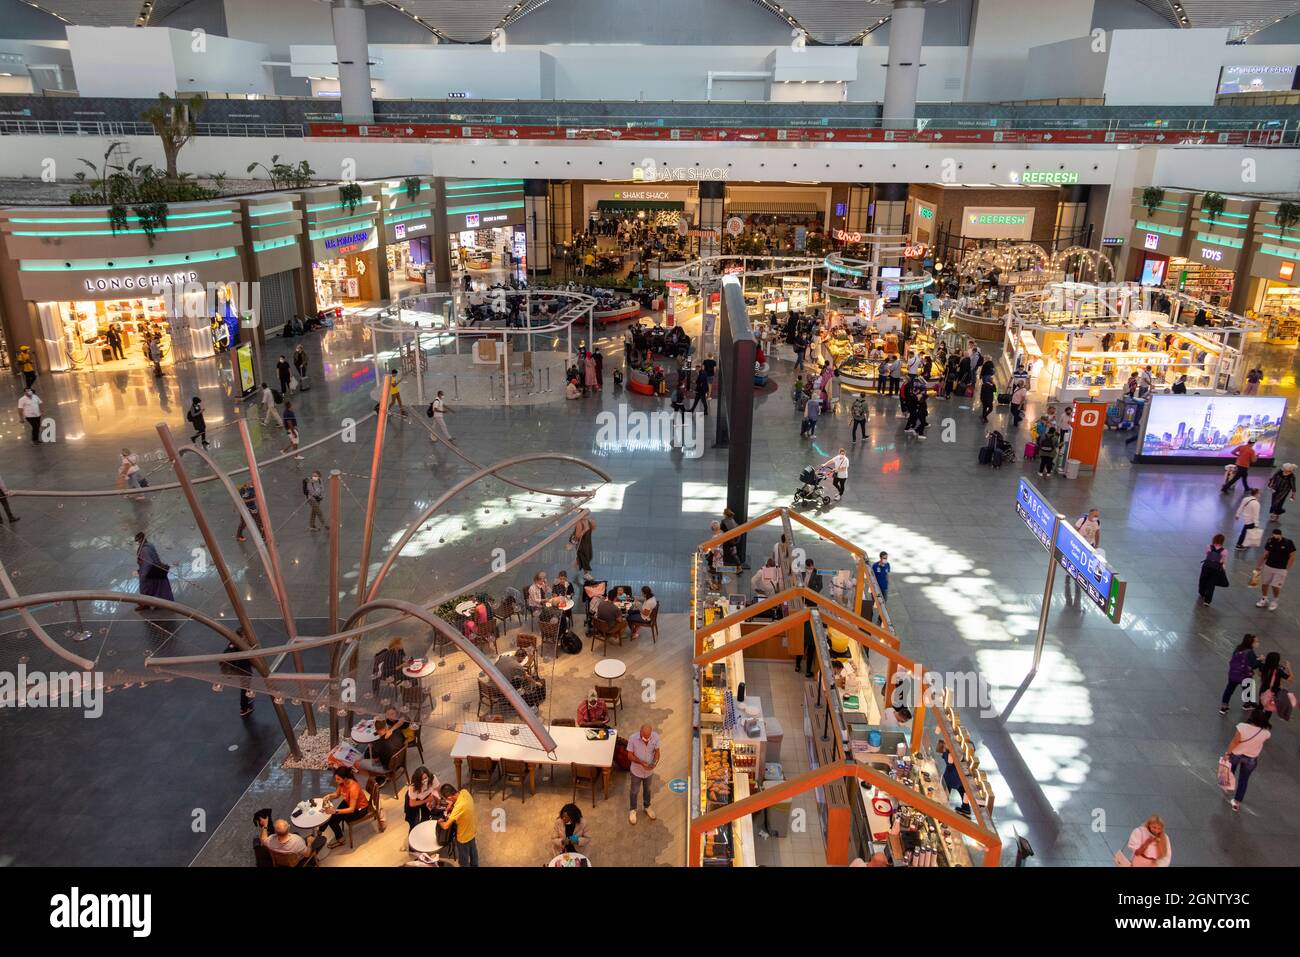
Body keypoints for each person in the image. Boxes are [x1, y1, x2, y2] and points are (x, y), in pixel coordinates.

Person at [1224, 707, 1272, 811]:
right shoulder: (1266, 733)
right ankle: (1236, 802)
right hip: (1251, 759)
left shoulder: (1242, 727)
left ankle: (1228, 787)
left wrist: (1227, 753)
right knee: (1244, 780)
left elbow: (1234, 742)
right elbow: (1265, 737)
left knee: (1230, 771)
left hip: (1236, 755)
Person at [321, 768, 374, 848]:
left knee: (333, 821)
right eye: (335, 778)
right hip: (349, 803)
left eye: (338, 779)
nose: (336, 781)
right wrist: (329, 796)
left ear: (345, 778)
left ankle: (341, 840)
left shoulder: (353, 788)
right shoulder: (342, 783)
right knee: (331, 817)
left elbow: (352, 809)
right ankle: (320, 831)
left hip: (360, 809)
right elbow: (337, 794)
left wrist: (336, 811)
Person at [1254, 527, 1296, 611]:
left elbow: (1293, 555)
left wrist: (1287, 568)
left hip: (1281, 569)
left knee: (1275, 586)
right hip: (1269, 566)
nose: (1274, 537)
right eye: (1273, 535)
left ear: (1280, 535)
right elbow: (1266, 554)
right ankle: (1264, 599)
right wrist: (1259, 565)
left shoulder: (1288, 543)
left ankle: (1275, 601)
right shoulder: (1270, 541)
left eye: (1276, 535)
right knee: (1265, 583)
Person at [627, 723, 660, 825]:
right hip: (636, 772)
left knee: (648, 789)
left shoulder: (655, 737)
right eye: (645, 737)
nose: (647, 739)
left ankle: (647, 806)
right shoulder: (632, 738)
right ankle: (633, 810)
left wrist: (654, 763)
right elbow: (629, 755)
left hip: (649, 772)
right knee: (634, 791)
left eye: (648, 737)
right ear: (640, 732)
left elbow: (657, 752)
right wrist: (641, 763)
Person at [1220, 634, 1262, 715]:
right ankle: (1247, 704)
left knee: (1229, 690)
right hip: (1244, 675)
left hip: (1234, 673)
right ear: (1251, 643)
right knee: (1247, 689)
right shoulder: (1250, 652)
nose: (1258, 643)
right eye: (1256, 641)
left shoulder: (1239, 648)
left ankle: (1224, 707)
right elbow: (1253, 665)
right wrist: (1260, 660)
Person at [439, 783, 479, 866]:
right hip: (472, 830)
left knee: (463, 860)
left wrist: (440, 822)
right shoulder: (465, 792)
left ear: (449, 797)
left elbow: (446, 826)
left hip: (463, 837)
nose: (447, 801)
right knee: (473, 853)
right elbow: (460, 807)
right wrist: (451, 804)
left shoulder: (459, 807)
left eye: (447, 799)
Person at [134, 532, 174, 604]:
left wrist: (143, 574)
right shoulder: (150, 545)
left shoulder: (144, 549)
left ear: (141, 539)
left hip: (151, 571)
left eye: (138, 540)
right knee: (161, 588)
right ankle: (162, 602)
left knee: (145, 588)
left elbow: (148, 563)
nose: (138, 542)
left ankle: (146, 603)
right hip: (157, 569)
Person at [403, 766, 442, 832]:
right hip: (414, 800)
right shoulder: (413, 786)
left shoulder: (432, 778)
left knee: (426, 818)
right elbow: (412, 803)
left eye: (426, 778)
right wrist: (427, 800)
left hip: (427, 798)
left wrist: (436, 801)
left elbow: (437, 789)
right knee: (414, 823)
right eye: (422, 779)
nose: (424, 780)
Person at [1198, 534, 1230, 606]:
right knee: (1211, 584)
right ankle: (1207, 601)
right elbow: (1223, 561)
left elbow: (1207, 554)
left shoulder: (1208, 547)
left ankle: (1202, 592)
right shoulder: (1224, 551)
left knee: (1203, 580)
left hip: (1206, 566)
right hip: (1216, 569)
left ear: (1214, 539)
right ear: (1222, 541)